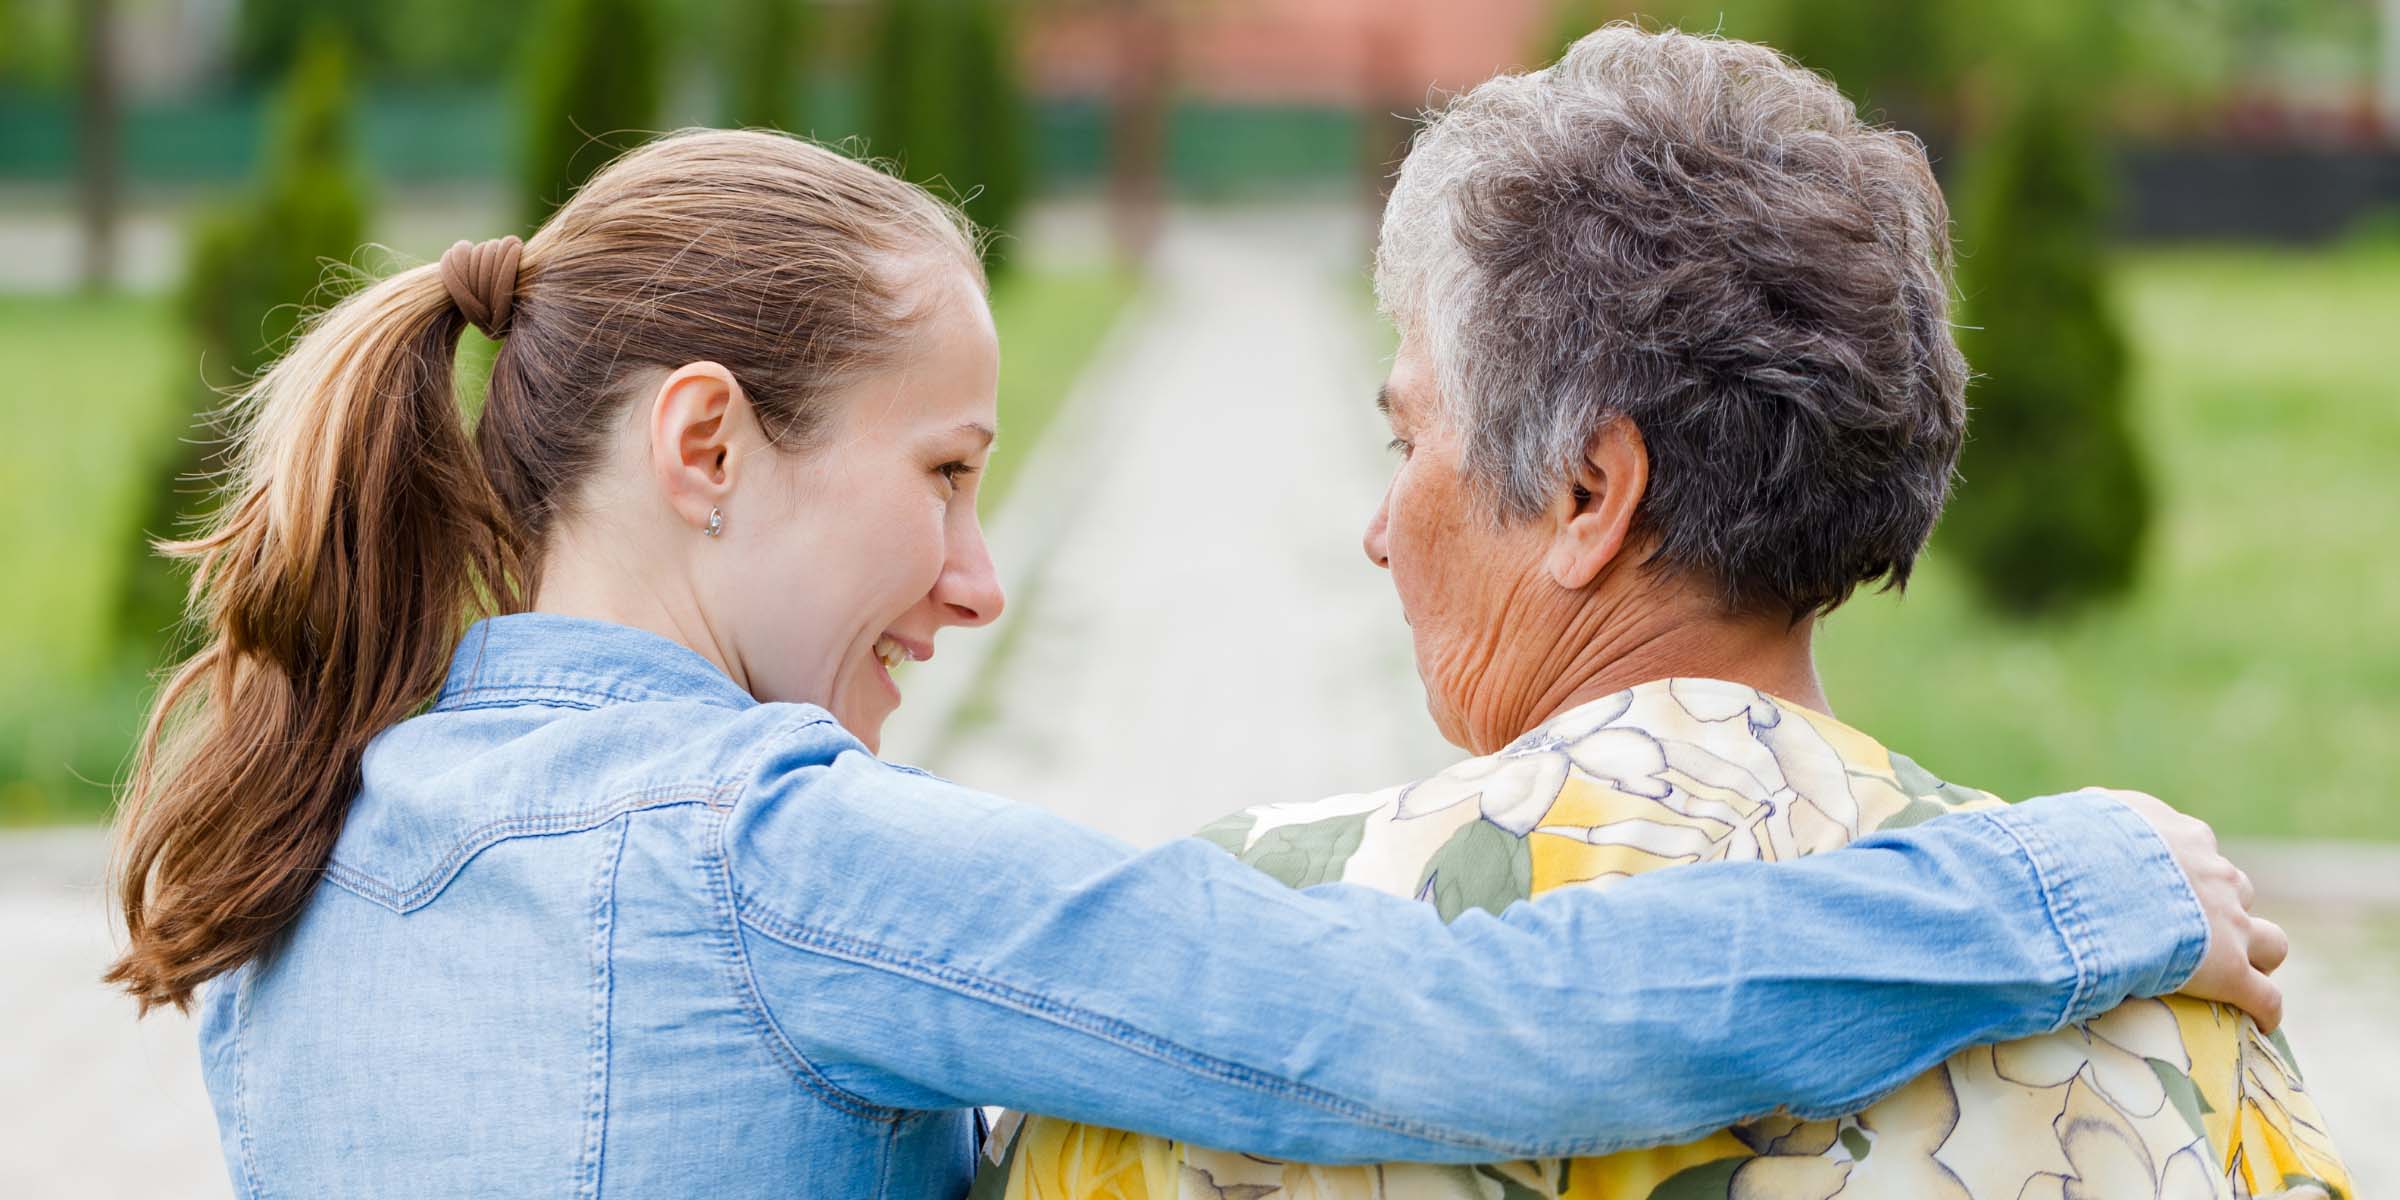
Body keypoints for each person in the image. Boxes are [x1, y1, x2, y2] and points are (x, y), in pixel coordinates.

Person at [105, 128, 2278, 1199]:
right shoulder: (772, 860)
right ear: (704, 443)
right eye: (947, 474)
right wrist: (2061, 887)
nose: (977, 580)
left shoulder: (284, 856)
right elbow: (1456, 1027)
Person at [978, 26, 2349, 1200]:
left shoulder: (1230, 971)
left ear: (1590, 492)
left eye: (1410, 447)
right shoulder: (2174, 988)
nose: (1380, 532)